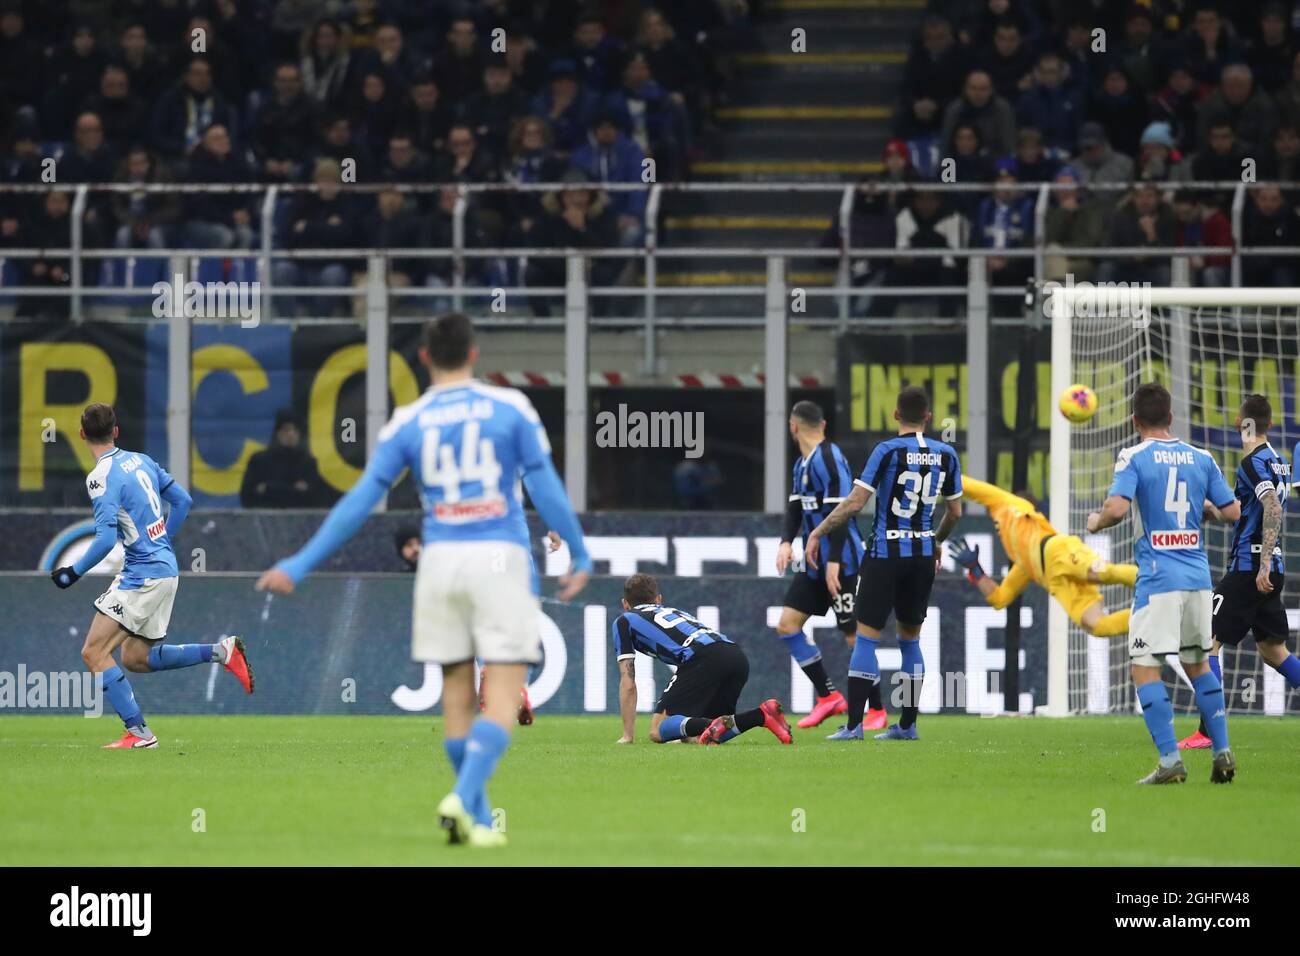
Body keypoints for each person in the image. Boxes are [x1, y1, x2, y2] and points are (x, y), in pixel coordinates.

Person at [256, 314, 592, 849]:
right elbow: (544, 485)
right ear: (475, 355)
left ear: (426, 358)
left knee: (457, 696)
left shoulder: (408, 421)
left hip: (440, 564)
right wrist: (579, 548)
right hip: (499, 556)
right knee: (503, 693)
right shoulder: (511, 409)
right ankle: (464, 795)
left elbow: (360, 501)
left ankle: (476, 820)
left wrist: (300, 562)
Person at [50, 403, 253, 749]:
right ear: (116, 431)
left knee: (93, 652)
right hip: (164, 570)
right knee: (136, 659)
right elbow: (184, 500)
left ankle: (140, 733)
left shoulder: (99, 477)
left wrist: (73, 572)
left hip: (142, 575)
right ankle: (221, 651)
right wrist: (161, 538)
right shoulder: (141, 460)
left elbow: (104, 539)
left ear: (82, 435)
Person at [1087, 383, 1240, 784]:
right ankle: (1222, 750)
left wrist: (1096, 520)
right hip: (1199, 578)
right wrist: (1202, 511)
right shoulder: (1201, 458)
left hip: (1159, 581)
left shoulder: (1133, 456)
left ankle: (1170, 760)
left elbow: (1118, 509)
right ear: (1171, 418)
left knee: (1144, 667)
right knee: (1199, 663)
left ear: (1135, 421)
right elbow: (1232, 512)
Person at [805, 386, 963, 741]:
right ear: (928, 417)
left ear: (895, 415)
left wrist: (819, 530)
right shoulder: (946, 454)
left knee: (866, 640)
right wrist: (936, 541)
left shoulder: (887, 450)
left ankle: (854, 726)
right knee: (910, 641)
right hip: (923, 555)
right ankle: (907, 726)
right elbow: (955, 511)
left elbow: (855, 502)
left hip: (885, 553)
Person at [1180, 395, 1300, 749]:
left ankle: (1206, 732)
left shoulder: (1251, 462)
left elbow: (1272, 507)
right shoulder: (1279, 462)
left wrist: (1261, 562)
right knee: (1273, 651)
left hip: (1251, 568)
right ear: (1271, 425)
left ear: (1240, 423)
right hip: (1272, 566)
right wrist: (1210, 511)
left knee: (1206, 643)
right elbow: (1247, 510)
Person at [773, 401, 881, 730]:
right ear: (822, 424)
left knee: (854, 637)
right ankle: (828, 697)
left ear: (793, 427)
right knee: (787, 626)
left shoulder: (831, 459)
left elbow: (844, 510)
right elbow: (795, 507)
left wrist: (834, 561)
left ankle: (876, 710)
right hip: (814, 562)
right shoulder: (801, 464)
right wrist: (786, 541)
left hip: (843, 560)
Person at [613, 573, 793, 746]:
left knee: (658, 730)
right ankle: (761, 715)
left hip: (703, 657)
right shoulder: (675, 612)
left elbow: (628, 683)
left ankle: (718, 724)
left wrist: (628, 736)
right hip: (735, 655)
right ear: (659, 599)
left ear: (625, 604)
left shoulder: (625, 620)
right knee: (702, 736)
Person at [948, 478, 1136, 636]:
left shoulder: (1007, 504)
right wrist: (976, 569)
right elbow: (999, 599)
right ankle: (1147, 618)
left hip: (1056, 550)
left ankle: (1154, 581)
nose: (996, 527)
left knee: (1102, 573)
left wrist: (935, 470)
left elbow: (969, 486)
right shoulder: (1023, 564)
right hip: (1055, 581)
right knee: (1096, 626)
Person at [239, 409, 326, 508]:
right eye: (286, 429)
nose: (291, 434)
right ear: (277, 433)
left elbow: (313, 499)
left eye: (295, 430)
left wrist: (268, 488)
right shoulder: (259, 461)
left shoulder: (308, 463)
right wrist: (295, 490)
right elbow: (247, 497)